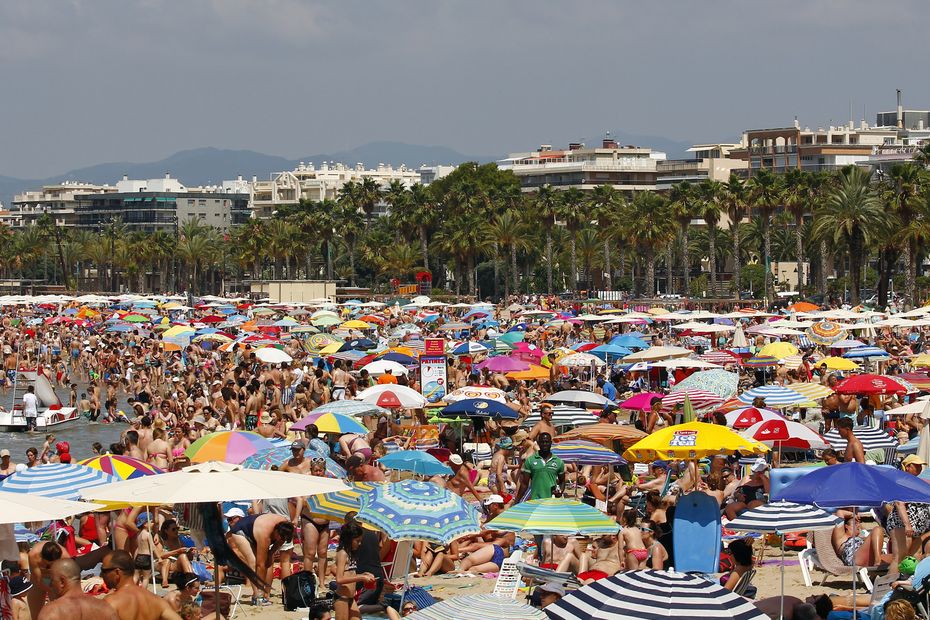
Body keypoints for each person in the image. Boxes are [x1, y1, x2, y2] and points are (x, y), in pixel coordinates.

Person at [227, 513, 294, 606]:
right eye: (280, 538)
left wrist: (271, 553)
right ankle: (258, 596)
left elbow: (280, 541)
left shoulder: (286, 528)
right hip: (241, 531)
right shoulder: (265, 534)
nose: (281, 540)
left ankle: (264, 594)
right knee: (254, 562)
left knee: (269, 560)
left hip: (255, 529)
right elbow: (260, 565)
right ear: (276, 532)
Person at [102, 550, 182, 620]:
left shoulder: (111, 603)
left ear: (117, 572)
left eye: (104, 570)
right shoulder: (157, 601)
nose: (102, 574)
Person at [37, 559, 119, 620]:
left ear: (62, 581)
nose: (50, 585)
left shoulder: (52, 612)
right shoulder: (104, 608)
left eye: (52, 580)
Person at [887, 454, 930, 565]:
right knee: (900, 557)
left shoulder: (916, 482)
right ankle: (891, 580)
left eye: (920, 465)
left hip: (915, 529)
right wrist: (907, 525)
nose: (920, 468)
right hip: (902, 526)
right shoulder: (902, 481)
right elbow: (899, 503)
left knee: (916, 557)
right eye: (916, 465)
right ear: (908, 466)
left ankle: (910, 581)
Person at [333, 520, 376, 620]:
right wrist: (361, 577)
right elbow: (339, 579)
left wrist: (364, 574)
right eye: (357, 541)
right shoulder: (342, 553)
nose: (360, 543)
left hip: (351, 598)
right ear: (349, 539)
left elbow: (349, 572)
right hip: (342, 599)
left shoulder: (351, 554)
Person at [520, 433, 565, 500]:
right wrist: (517, 500)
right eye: (542, 442)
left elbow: (562, 481)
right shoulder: (530, 461)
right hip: (535, 500)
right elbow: (524, 483)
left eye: (547, 442)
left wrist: (560, 491)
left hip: (551, 501)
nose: (544, 444)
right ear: (538, 443)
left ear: (550, 443)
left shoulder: (558, 462)